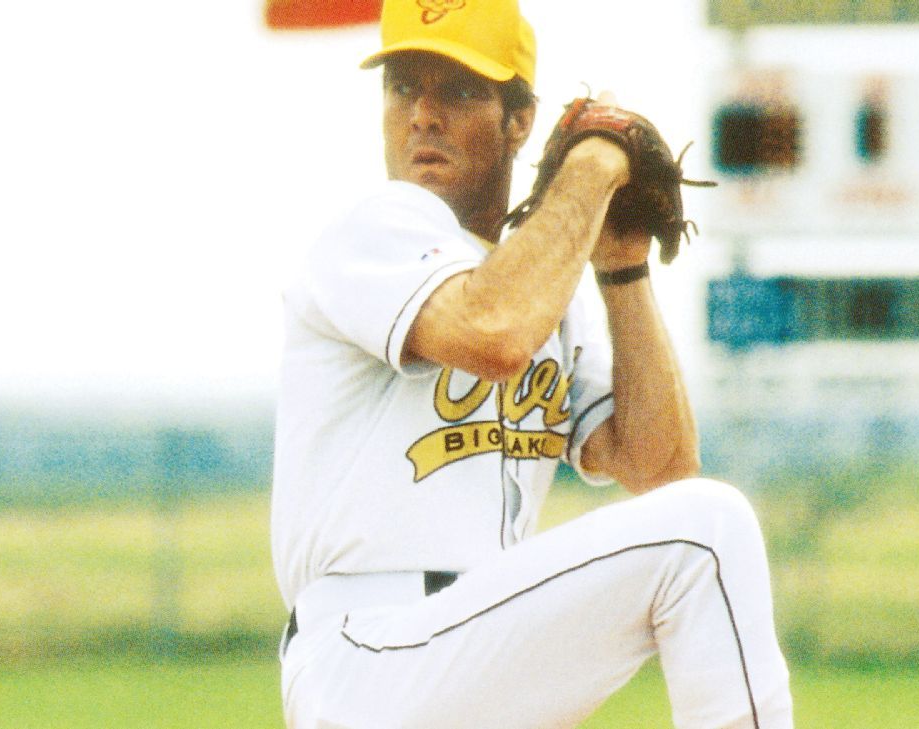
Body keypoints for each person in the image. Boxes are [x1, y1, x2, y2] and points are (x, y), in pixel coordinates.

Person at [270, 1, 793, 727]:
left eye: (456, 89)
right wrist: (598, 159)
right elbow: (495, 331)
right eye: (402, 86)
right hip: (371, 652)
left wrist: (622, 268)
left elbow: (661, 470)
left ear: (520, 120)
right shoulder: (375, 229)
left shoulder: (543, 285)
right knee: (710, 529)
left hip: (472, 649)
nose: (422, 113)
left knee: (695, 528)